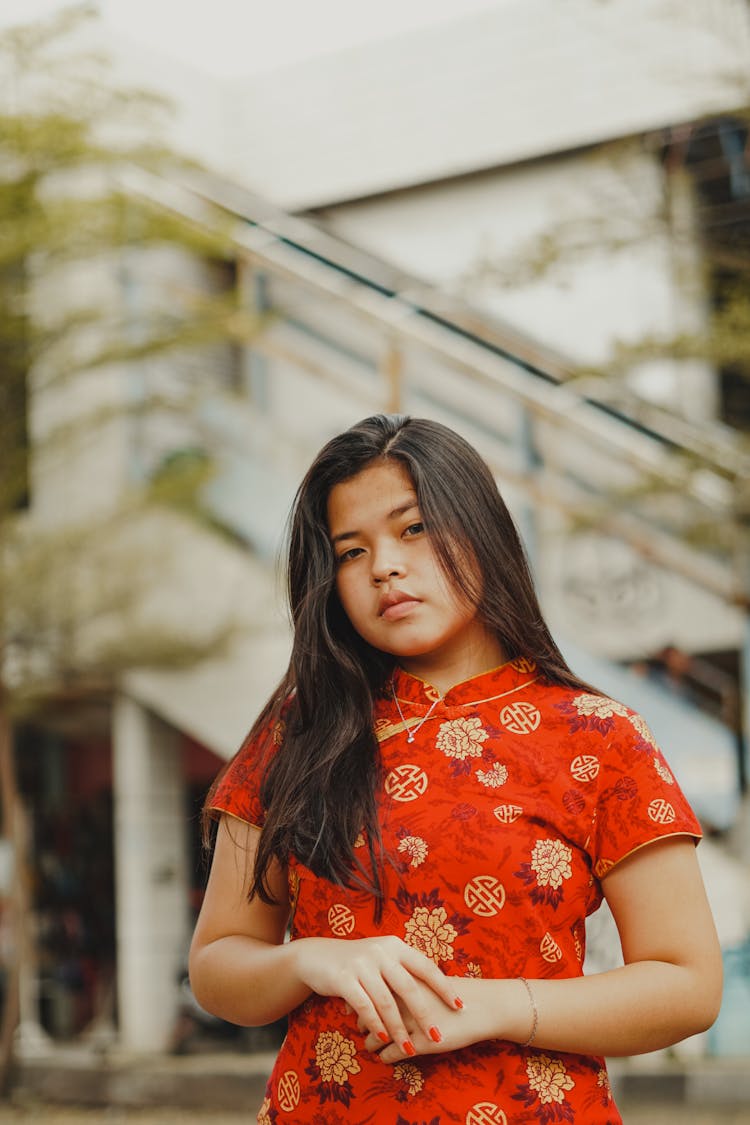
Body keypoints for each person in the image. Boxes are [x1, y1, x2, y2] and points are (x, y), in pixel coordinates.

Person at [189, 414, 722, 1125]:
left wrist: (498, 1005)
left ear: (481, 529)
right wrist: (311, 959)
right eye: (351, 551)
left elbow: (687, 984)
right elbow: (219, 964)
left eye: (412, 529)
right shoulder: (298, 734)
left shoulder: (599, 736)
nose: (383, 565)